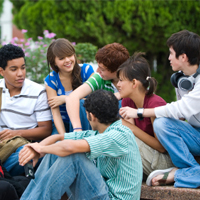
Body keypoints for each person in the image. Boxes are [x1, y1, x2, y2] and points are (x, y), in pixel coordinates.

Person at [19, 90, 143, 200]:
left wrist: (42, 148)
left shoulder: (120, 135)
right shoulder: (99, 133)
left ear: (92, 116)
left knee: (75, 156)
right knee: (54, 153)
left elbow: (69, 147)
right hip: (103, 192)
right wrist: (37, 149)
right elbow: (58, 137)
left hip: (112, 197)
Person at [120, 30, 200, 188]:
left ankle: (180, 173)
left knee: (160, 122)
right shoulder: (181, 79)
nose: (169, 58)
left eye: (171, 53)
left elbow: (181, 108)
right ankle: (188, 169)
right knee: (162, 123)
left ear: (183, 57)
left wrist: (139, 112)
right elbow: (182, 116)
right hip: (195, 133)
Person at [118, 52, 174, 177]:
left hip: (164, 162)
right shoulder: (127, 101)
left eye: (121, 80)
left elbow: (161, 147)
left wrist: (129, 127)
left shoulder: (155, 104)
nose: (118, 84)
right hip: (144, 157)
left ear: (134, 83)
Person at [0, 44, 52, 176]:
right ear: (2, 71)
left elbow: (46, 129)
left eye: (23, 68)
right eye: (13, 69)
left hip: (21, 147)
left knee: (28, 155)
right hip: (2, 146)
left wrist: (15, 133)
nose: (20, 74)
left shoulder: (37, 92)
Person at [64, 43, 129, 131]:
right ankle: (79, 138)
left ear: (117, 71)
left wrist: (121, 95)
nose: (97, 71)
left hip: (123, 127)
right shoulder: (100, 78)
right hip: (97, 124)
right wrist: (77, 128)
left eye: (102, 69)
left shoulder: (133, 80)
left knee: (122, 103)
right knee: (80, 104)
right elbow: (72, 97)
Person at [44, 38, 94, 134]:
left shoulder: (87, 70)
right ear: (54, 62)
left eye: (70, 55)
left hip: (86, 122)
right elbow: (56, 114)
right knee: (57, 145)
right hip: (63, 124)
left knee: (79, 103)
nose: (67, 60)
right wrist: (64, 138)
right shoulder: (51, 80)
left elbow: (96, 101)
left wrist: (66, 99)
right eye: (61, 58)